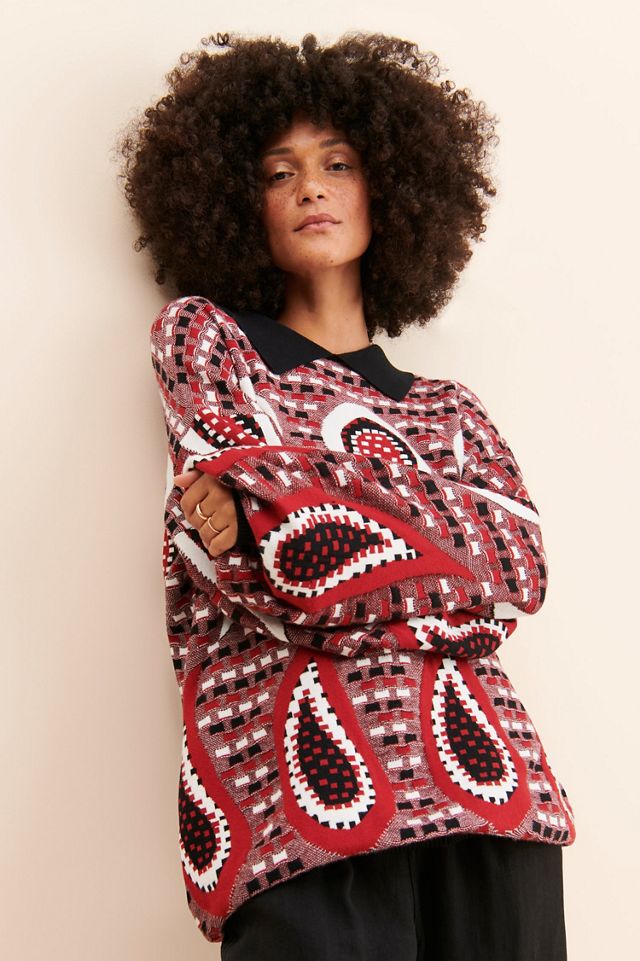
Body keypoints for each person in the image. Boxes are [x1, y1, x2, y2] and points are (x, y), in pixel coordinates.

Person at [117, 30, 575, 960]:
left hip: (498, 805)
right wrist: (433, 558)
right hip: (299, 823)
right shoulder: (209, 343)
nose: (310, 188)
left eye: (337, 163)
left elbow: (518, 567)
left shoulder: (450, 407)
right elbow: (278, 560)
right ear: (237, 201)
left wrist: (298, 499)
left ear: (389, 189)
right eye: (277, 171)